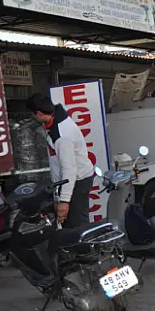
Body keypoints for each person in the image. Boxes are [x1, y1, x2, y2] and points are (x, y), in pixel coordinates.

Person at [26, 93, 95, 229]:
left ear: (39, 114)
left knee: (76, 225)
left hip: (77, 180)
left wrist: (64, 200)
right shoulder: (56, 118)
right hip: (68, 180)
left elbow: (69, 169)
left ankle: (85, 249)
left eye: (33, 115)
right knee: (67, 223)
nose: (33, 118)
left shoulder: (62, 136)